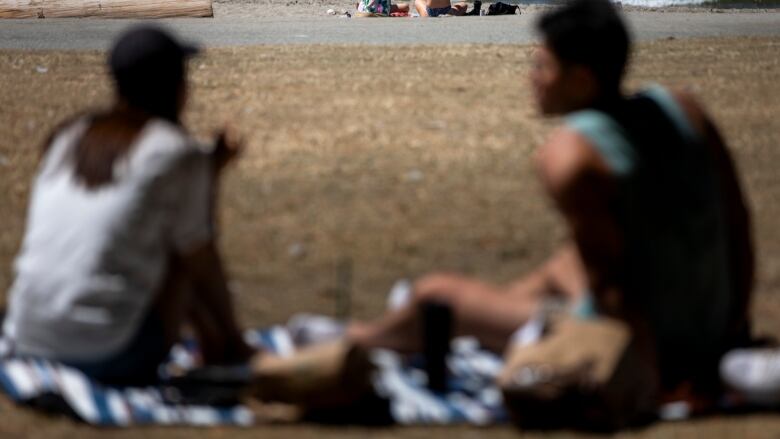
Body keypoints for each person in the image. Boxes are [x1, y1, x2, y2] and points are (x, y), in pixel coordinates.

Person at [347, 0, 754, 403]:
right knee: (562, 266)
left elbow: (612, 291)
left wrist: (654, 377)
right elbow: (737, 225)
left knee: (435, 295)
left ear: (579, 80)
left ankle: (355, 342)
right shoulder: (684, 109)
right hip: (716, 323)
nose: (532, 78)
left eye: (542, 66)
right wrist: (733, 329)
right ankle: (492, 309)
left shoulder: (570, 158)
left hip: (648, 346)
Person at [1, 26, 253, 386]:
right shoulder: (175, 151)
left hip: (27, 337)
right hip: (110, 352)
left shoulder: (71, 135)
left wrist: (205, 170)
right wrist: (208, 177)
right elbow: (200, 254)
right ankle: (228, 347)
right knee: (182, 250)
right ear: (178, 87)